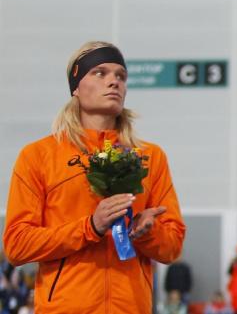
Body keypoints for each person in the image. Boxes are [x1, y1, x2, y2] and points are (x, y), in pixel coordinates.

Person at [3, 41, 186, 314]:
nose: (114, 82)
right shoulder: (38, 156)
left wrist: (147, 234)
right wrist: (90, 227)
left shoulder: (150, 157)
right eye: (100, 73)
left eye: (120, 76)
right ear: (76, 86)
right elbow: (17, 245)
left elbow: (172, 247)